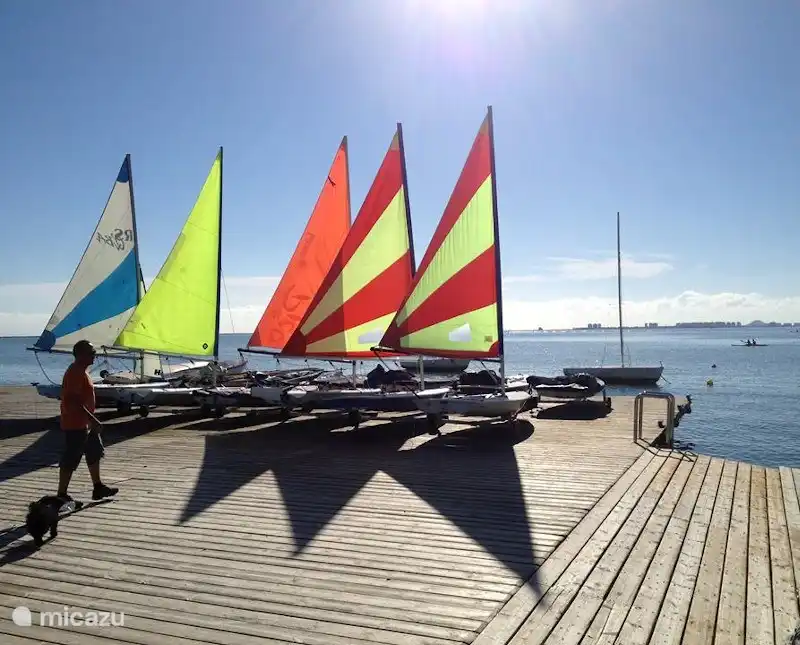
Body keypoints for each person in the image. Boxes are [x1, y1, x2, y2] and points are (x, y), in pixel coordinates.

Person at [57, 340, 118, 502]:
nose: (94, 355)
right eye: (91, 353)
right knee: (72, 457)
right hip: (75, 423)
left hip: (85, 422)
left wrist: (90, 421)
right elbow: (73, 401)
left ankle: (98, 487)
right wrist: (93, 420)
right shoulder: (75, 372)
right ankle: (61, 494)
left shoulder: (83, 371)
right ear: (81, 354)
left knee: (94, 451)